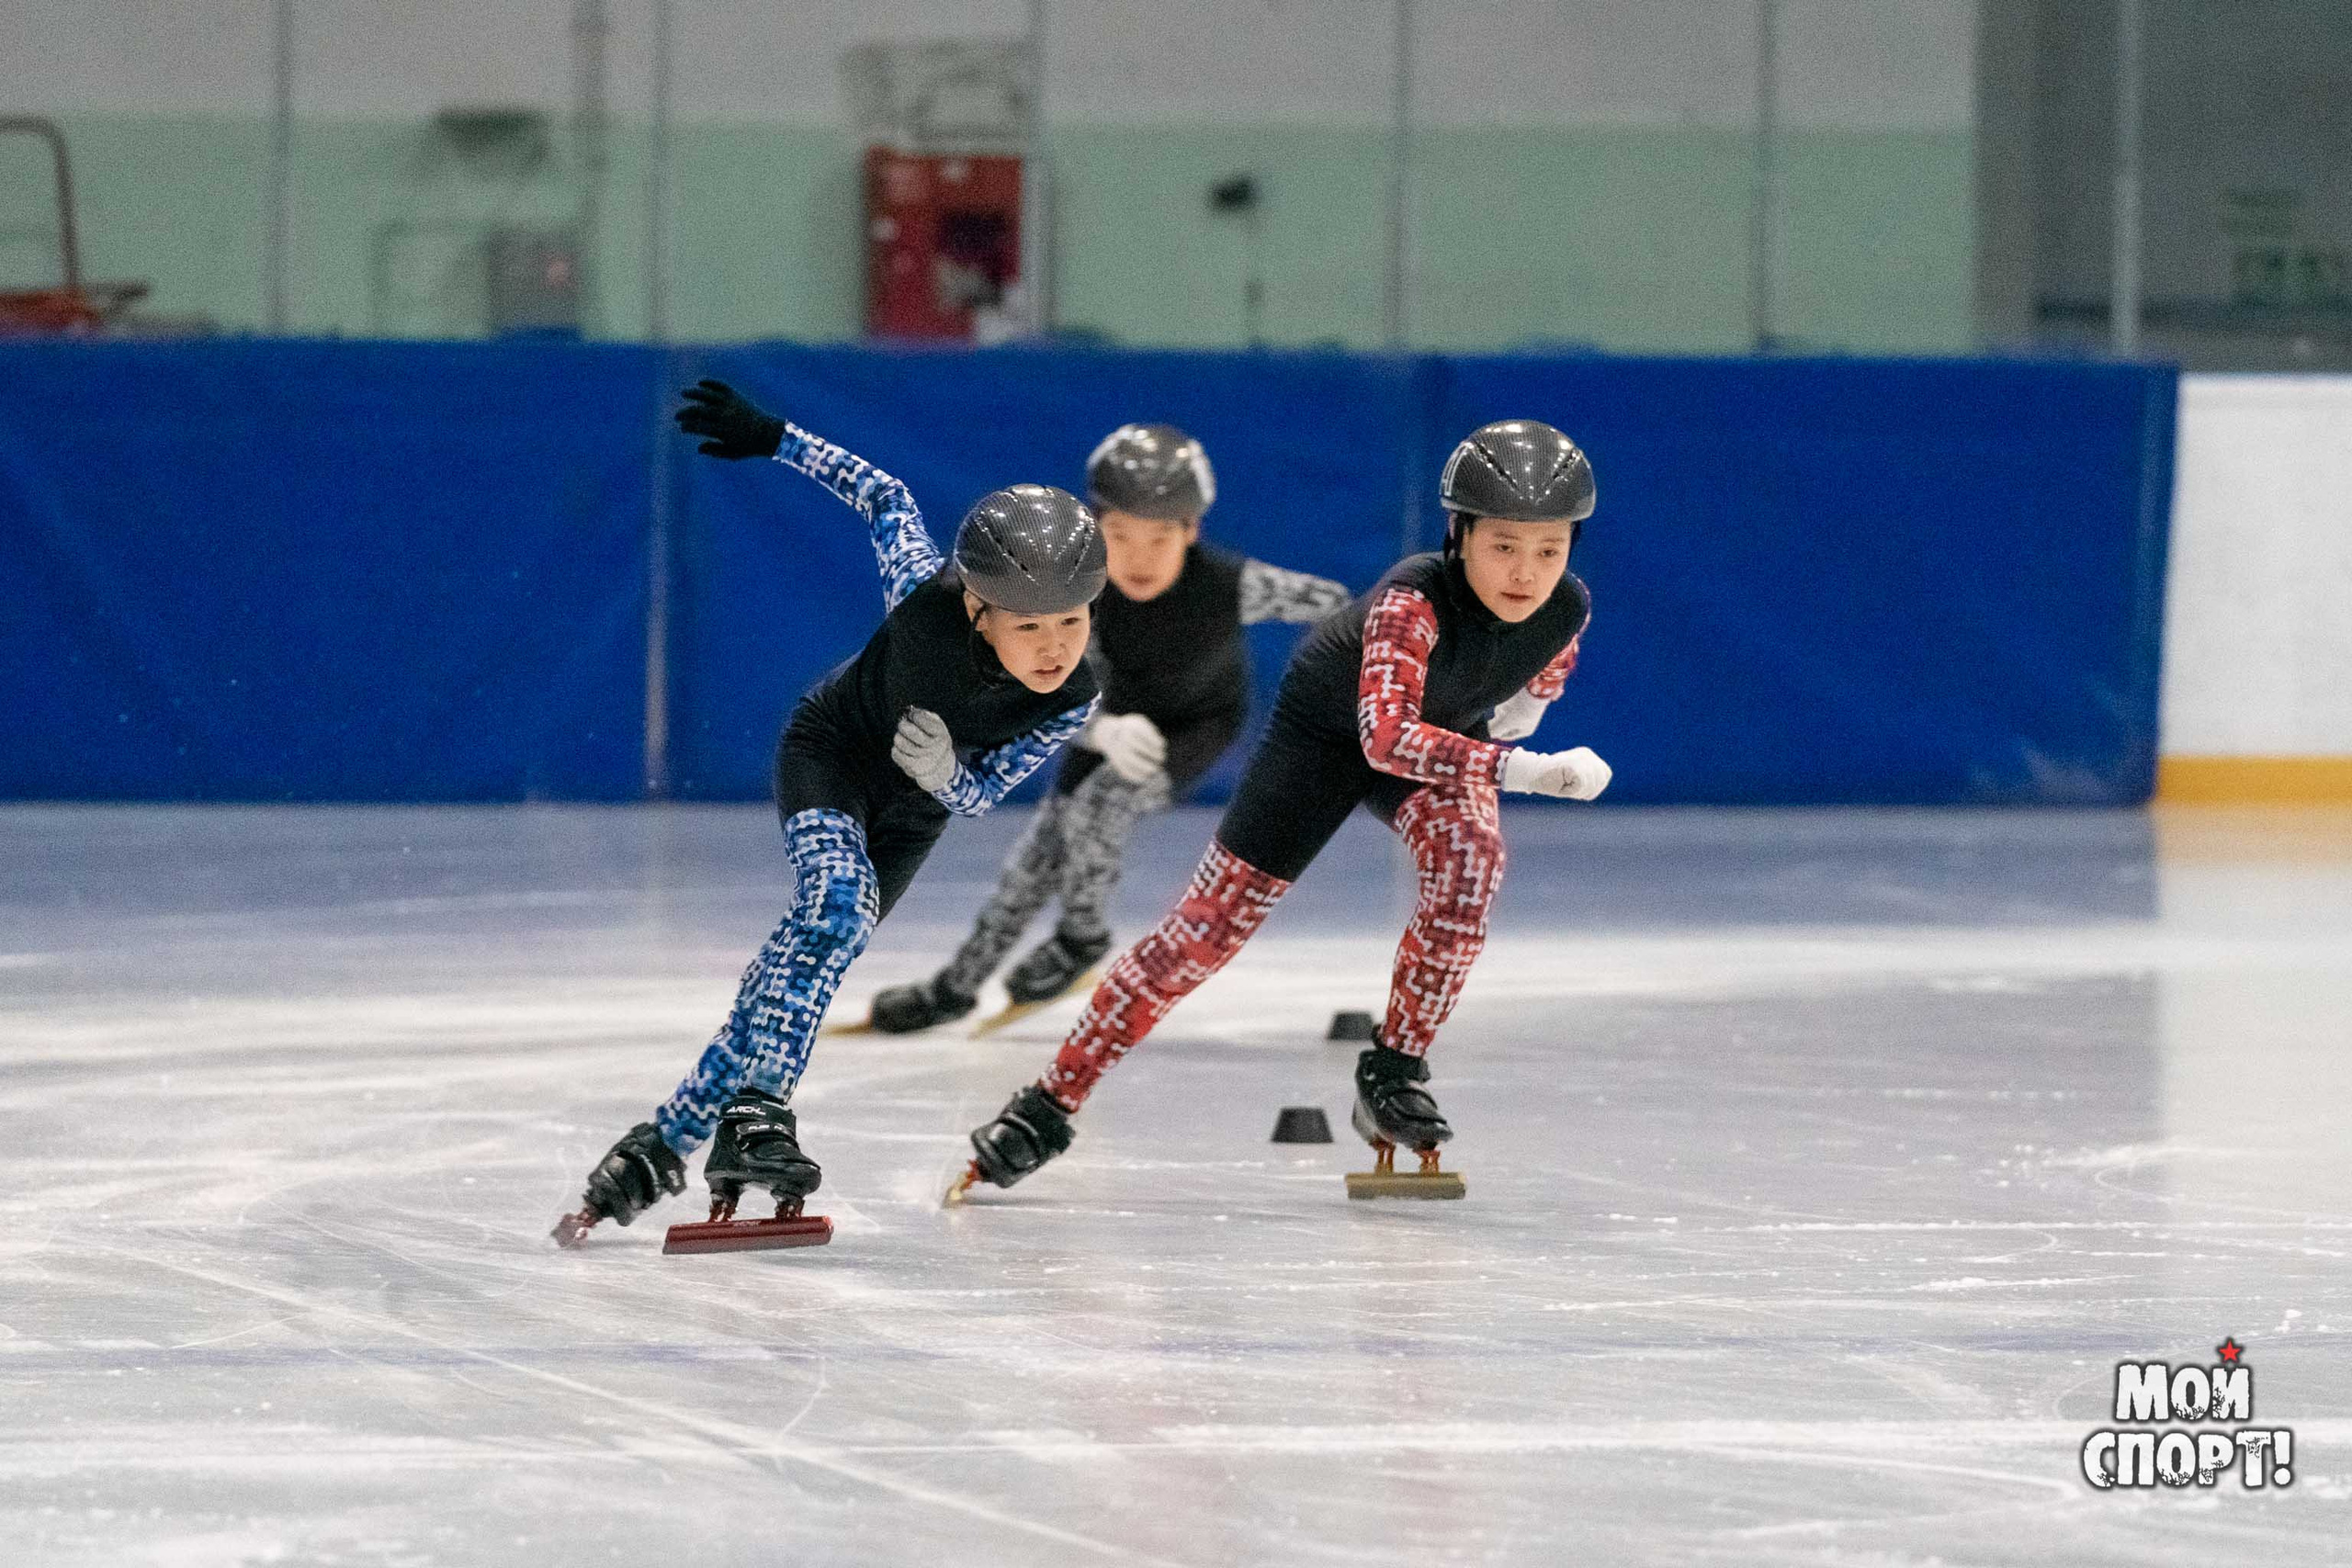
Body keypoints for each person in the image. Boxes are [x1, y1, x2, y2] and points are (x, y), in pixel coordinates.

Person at [950, 420, 1611, 1199]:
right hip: (1329, 737)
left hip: (1441, 734)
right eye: (1504, 545)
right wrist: (1524, 767)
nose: (1526, 572)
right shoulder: (1413, 600)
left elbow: (1546, 660)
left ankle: (1394, 1070)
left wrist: (1529, 703)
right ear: (1460, 534)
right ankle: (1047, 1104)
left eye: (1549, 547)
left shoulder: (1567, 606)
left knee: (1472, 861)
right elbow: (1389, 737)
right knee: (1203, 936)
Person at [553, 380, 1106, 1244]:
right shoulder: (926, 601)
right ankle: (760, 1114)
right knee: (837, 906)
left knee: (813, 951)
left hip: (914, 814)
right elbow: (885, 495)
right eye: (1030, 625)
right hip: (832, 757)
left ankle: (663, 1143)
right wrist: (772, 436)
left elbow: (989, 790)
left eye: (1071, 620)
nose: (1055, 645)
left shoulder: (1075, 692)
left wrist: (952, 776)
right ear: (977, 606)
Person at [860, 423, 1351, 1032]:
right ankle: (956, 986)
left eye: (1158, 538)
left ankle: (1081, 937)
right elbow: (1048, 684)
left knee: (1102, 803)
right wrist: (1100, 731)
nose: (1138, 558)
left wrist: (1345, 681)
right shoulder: (1075, 589)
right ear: (1094, 530)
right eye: (1119, 536)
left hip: (1194, 725)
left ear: (1192, 530)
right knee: (1035, 860)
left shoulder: (1231, 584)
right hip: (1103, 721)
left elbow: (1336, 605)